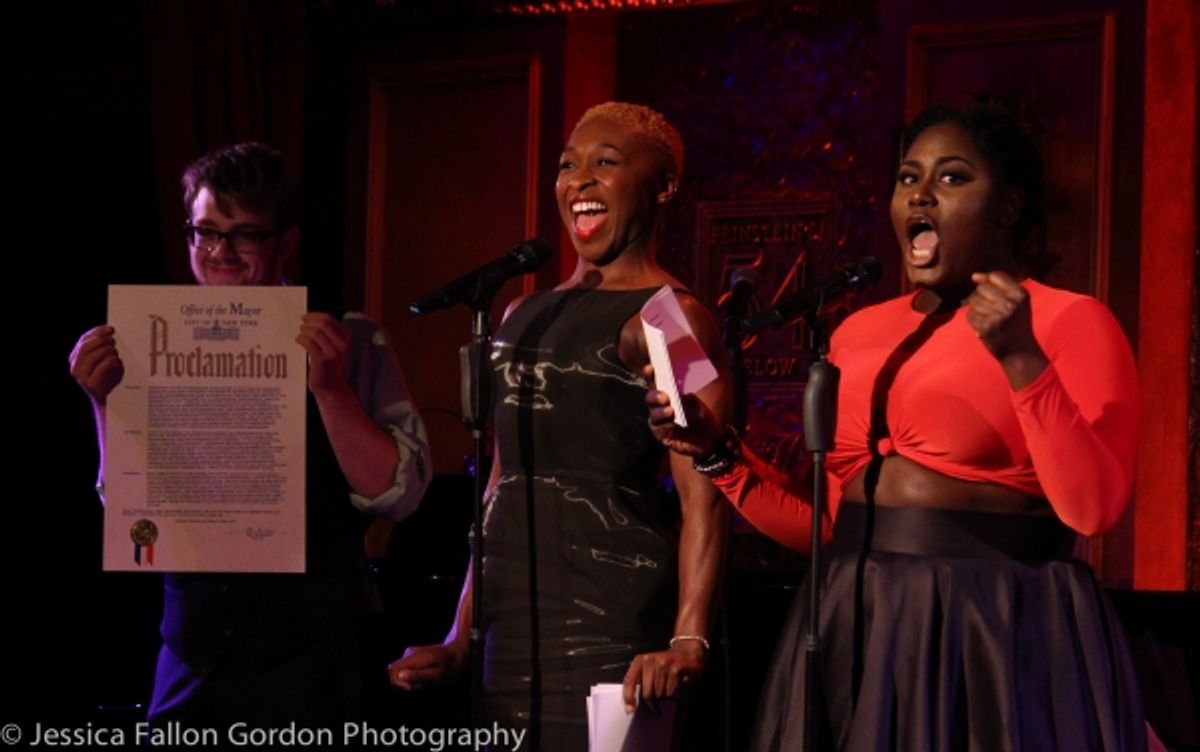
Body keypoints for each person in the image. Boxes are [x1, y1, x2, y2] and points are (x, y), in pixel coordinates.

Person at [648, 104, 1147, 751]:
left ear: (1008, 207)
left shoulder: (1069, 320)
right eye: (908, 178)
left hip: (988, 626)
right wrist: (716, 453)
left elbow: (1097, 508)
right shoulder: (858, 332)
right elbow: (829, 527)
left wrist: (1023, 359)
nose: (920, 194)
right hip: (856, 616)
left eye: (952, 177)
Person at [388, 102, 730, 749]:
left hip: (612, 616)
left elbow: (703, 498)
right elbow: (499, 488)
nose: (581, 181)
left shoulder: (669, 316)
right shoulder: (521, 315)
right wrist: (460, 637)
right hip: (509, 628)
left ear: (663, 187)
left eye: (607, 162)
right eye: (569, 165)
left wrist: (688, 640)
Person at [68, 142, 432, 726]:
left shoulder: (349, 338)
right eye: (205, 232)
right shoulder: (151, 340)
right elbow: (131, 504)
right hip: (191, 651)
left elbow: (399, 495)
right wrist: (102, 402)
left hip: (310, 654)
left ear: (285, 242)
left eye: (246, 235)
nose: (221, 252)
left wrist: (331, 390)